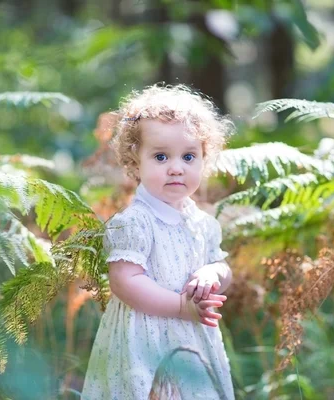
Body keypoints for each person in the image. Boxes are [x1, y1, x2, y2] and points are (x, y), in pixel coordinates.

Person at [81, 84, 235, 400]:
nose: (176, 167)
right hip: (146, 338)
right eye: (161, 156)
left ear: (203, 161)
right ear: (135, 164)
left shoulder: (203, 224)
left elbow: (223, 267)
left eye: (189, 156)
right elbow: (125, 282)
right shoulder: (134, 222)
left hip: (192, 338)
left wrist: (212, 274)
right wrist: (180, 306)